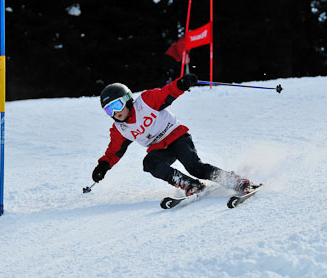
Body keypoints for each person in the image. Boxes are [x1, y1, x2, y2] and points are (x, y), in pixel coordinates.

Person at [92, 74, 251, 196]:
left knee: (195, 167)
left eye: (117, 105)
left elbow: (166, 93)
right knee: (150, 163)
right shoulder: (120, 129)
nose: (115, 113)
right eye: (109, 110)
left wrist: (181, 84)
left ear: (127, 100)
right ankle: (190, 185)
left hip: (177, 137)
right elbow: (113, 151)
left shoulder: (145, 102)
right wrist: (103, 166)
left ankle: (236, 181)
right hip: (160, 148)